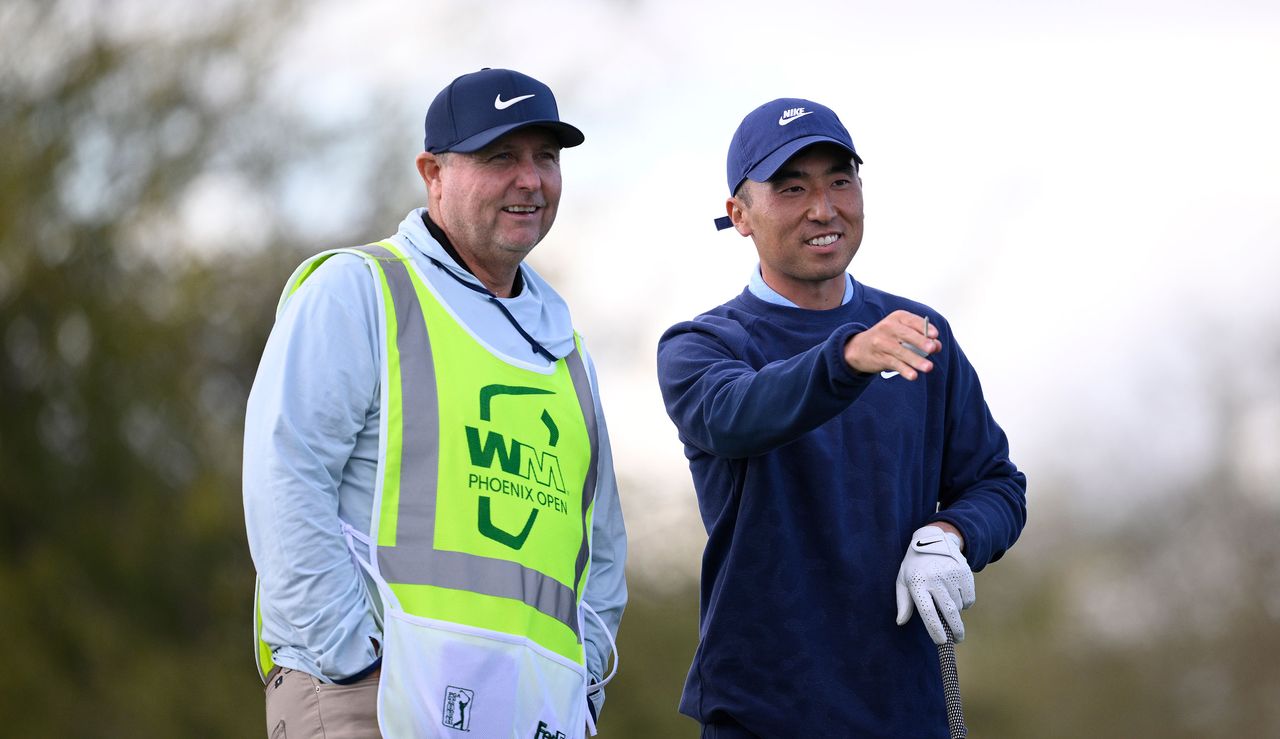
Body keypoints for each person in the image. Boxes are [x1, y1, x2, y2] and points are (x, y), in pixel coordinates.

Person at [244, 68, 627, 739]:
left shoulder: (569, 355)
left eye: (545, 157)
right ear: (434, 173)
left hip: (529, 718)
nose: (529, 179)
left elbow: (602, 554)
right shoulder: (358, 291)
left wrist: (579, 686)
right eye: (499, 157)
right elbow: (285, 478)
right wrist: (354, 664)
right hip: (368, 700)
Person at [656, 98, 1027, 737]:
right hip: (762, 712)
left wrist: (952, 535)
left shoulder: (919, 332)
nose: (823, 209)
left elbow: (997, 483)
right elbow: (736, 414)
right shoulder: (702, 345)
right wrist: (848, 358)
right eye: (791, 187)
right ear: (738, 215)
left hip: (909, 710)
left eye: (840, 181)